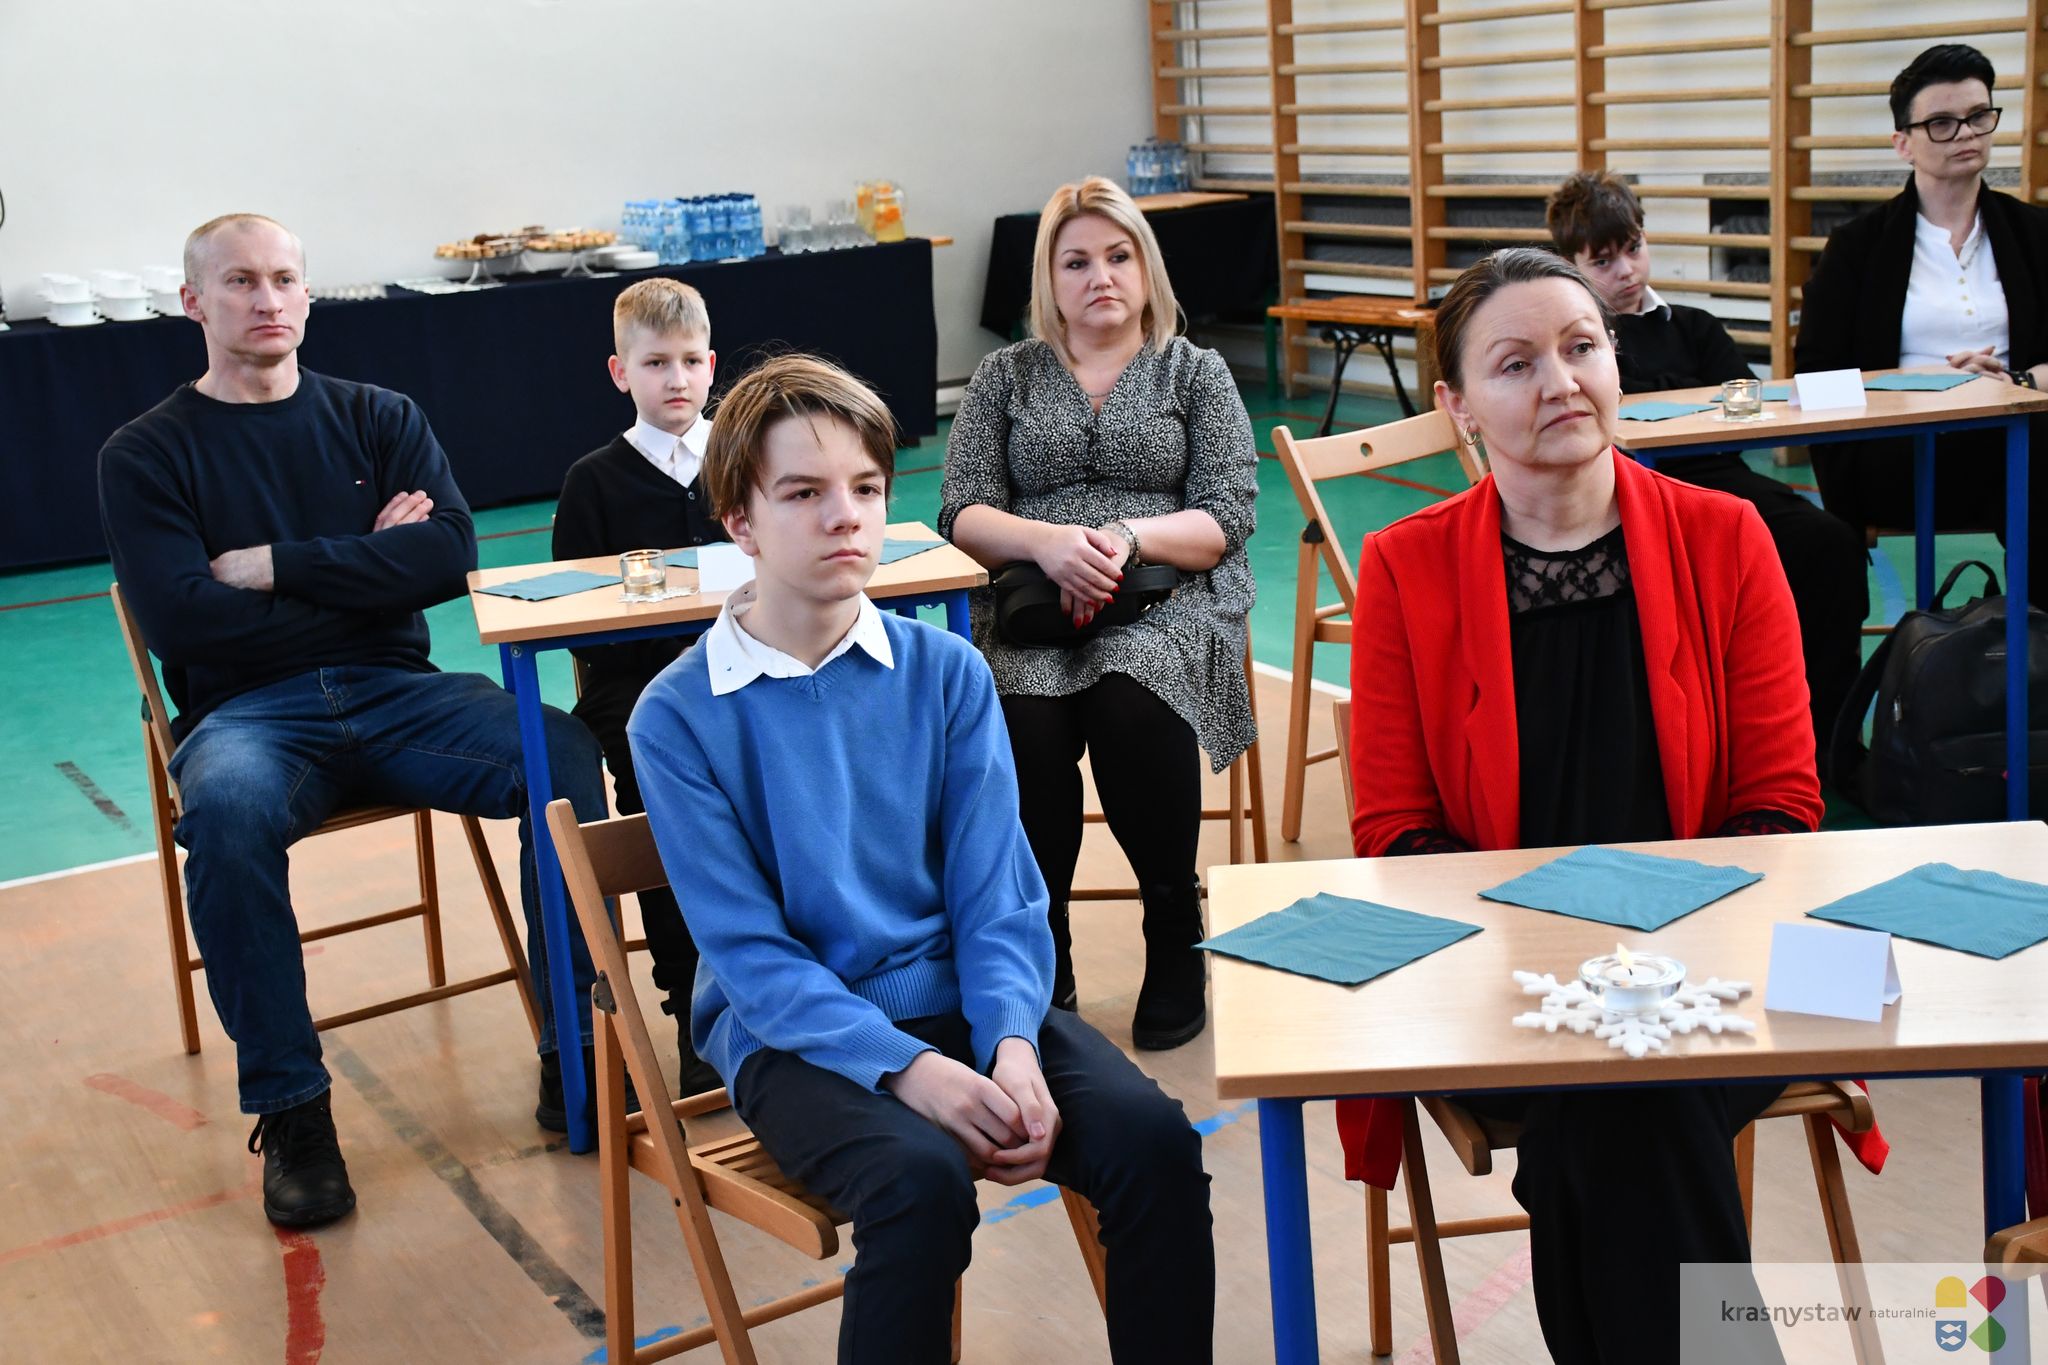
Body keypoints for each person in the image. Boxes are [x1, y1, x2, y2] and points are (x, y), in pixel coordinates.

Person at [627, 355, 1214, 1364]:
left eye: (864, 488)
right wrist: (911, 1071)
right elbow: (752, 960)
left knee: (1153, 1142)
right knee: (917, 1183)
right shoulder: (675, 717)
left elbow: (997, 898)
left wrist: (1012, 1044)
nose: (844, 517)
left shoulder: (946, 672)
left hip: (963, 1000)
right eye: (802, 494)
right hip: (792, 1037)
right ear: (738, 522)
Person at [1343, 248, 1851, 1363]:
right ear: (1457, 406)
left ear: (1615, 360)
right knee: (1623, 1085)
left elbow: (1781, 806)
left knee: (1622, 1088)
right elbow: (1393, 832)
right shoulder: (1404, 567)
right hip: (1498, 979)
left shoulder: (1727, 537)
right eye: (1515, 363)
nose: (1560, 381)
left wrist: (1650, 963)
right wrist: (1563, 967)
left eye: (1581, 347)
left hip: (1722, 962)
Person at [97, 213, 611, 1229]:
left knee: (558, 753)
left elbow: (447, 556)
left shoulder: (379, 416)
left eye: (285, 278)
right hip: (247, 714)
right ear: (193, 301)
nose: (268, 300)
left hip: (397, 691)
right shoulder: (145, 452)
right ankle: (293, 1111)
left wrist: (276, 565)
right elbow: (180, 619)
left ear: (307, 293)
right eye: (240, 281)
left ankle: (579, 1054)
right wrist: (369, 569)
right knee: (227, 819)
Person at [938, 176, 1258, 1050]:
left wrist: (1121, 538)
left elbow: (1226, 516)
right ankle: (1044, 947)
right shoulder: (1004, 376)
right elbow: (961, 511)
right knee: (1025, 720)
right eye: (1075, 261)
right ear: (1049, 279)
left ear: (1146, 268)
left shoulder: (1195, 371)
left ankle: (1172, 927)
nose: (1100, 277)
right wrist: (1049, 545)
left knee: (1130, 697)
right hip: (1030, 603)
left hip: (1169, 596)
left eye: (1118, 256)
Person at [1546, 170, 1868, 761]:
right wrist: (1688, 391)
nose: (1627, 271)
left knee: (1830, 543)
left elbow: (1741, 396)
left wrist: (1660, 392)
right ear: (1571, 267)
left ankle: (1827, 741)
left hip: (1721, 482)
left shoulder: (1693, 325)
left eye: (1634, 248)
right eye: (1603, 261)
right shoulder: (1578, 346)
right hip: (1625, 495)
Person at [1796, 42, 2048, 607]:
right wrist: (1929, 386)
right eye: (1941, 123)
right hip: (1899, 452)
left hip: (2018, 441)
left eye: (1978, 116)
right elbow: (1814, 375)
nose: (1965, 133)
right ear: (1903, 144)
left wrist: (2014, 383)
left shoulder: (2036, 235)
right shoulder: (1856, 249)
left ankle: (2032, 647)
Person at [552, 277, 724, 1095]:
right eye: (656, 363)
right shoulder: (593, 482)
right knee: (663, 816)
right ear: (621, 373)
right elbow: (580, 620)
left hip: (749, 670)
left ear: (712, 365)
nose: (676, 379)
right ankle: (693, 1008)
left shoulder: (749, 456)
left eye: (690, 360)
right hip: (641, 692)